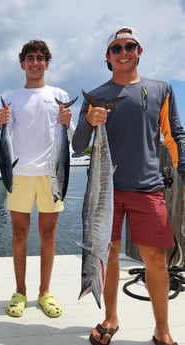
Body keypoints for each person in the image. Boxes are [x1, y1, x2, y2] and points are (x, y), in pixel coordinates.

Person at [72, 27, 184, 345]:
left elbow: (174, 134)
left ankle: (162, 330)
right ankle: (110, 316)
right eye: (117, 48)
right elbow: (79, 146)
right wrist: (89, 121)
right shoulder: (96, 95)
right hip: (103, 193)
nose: (124, 52)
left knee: (156, 258)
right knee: (108, 255)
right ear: (108, 57)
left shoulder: (161, 89)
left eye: (129, 46)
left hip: (147, 187)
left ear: (139, 50)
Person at [0, 39, 75, 318]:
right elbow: (3, 136)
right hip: (19, 174)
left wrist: (67, 120)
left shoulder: (59, 94)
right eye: (30, 58)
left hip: (51, 173)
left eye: (40, 58)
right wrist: (1, 120)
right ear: (22, 64)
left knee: (48, 234)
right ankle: (20, 291)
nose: (35, 63)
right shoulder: (11, 97)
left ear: (46, 63)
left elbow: (69, 135)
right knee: (19, 234)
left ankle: (45, 292)